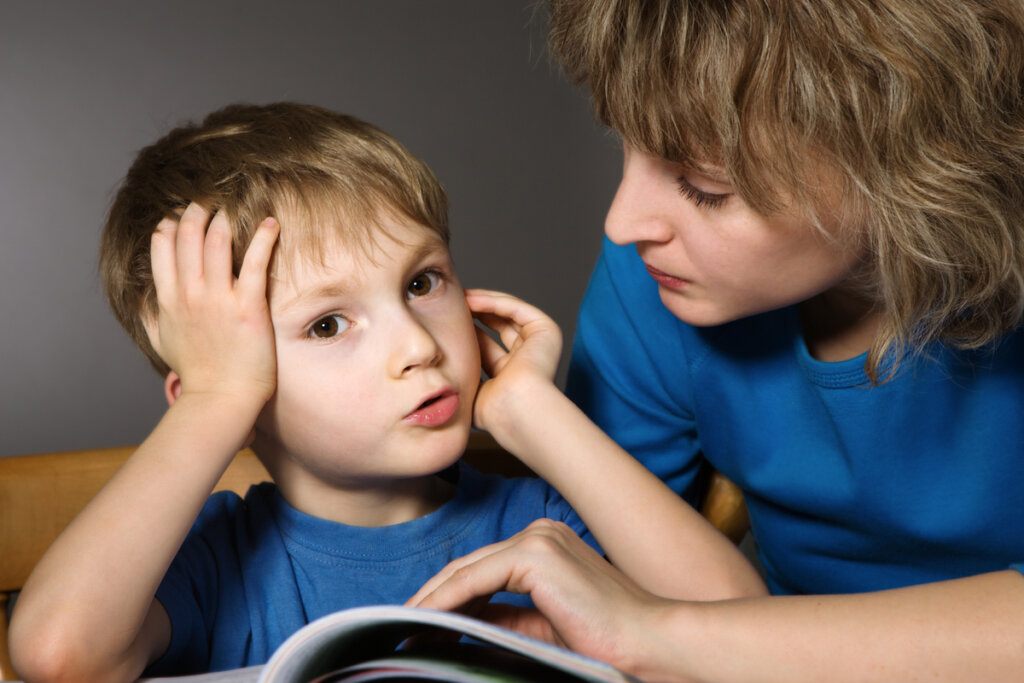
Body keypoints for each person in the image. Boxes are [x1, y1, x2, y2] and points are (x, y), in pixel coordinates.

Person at [8, 102, 762, 681]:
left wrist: (529, 409)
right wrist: (216, 400)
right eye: (330, 323)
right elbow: (58, 654)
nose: (417, 344)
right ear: (223, 391)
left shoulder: (541, 525)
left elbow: (741, 628)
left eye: (422, 282)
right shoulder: (212, 562)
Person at [409, 0, 1024, 680]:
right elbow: (607, 582)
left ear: (911, 167)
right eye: (626, 146)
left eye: (705, 188)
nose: (621, 223)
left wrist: (659, 633)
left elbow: (644, 625)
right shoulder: (653, 285)